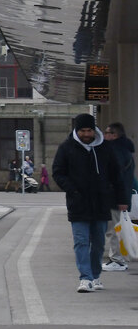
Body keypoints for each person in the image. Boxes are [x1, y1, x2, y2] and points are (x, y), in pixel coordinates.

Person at [52, 113, 129, 293]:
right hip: (78, 202)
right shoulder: (66, 148)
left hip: (101, 202)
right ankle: (85, 278)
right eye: (82, 131)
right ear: (76, 131)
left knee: (98, 242)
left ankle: (95, 276)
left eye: (89, 130)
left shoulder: (105, 149)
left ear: (94, 131)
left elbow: (117, 175)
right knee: (81, 241)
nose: (86, 134)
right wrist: (73, 189)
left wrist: (121, 199)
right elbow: (58, 172)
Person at [101, 122, 135, 271]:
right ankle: (117, 257)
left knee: (114, 229)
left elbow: (116, 176)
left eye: (107, 132)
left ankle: (117, 259)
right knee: (116, 228)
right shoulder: (125, 150)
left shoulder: (115, 151)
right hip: (120, 196)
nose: (104, 135)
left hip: (115, 197)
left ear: (114, 135)